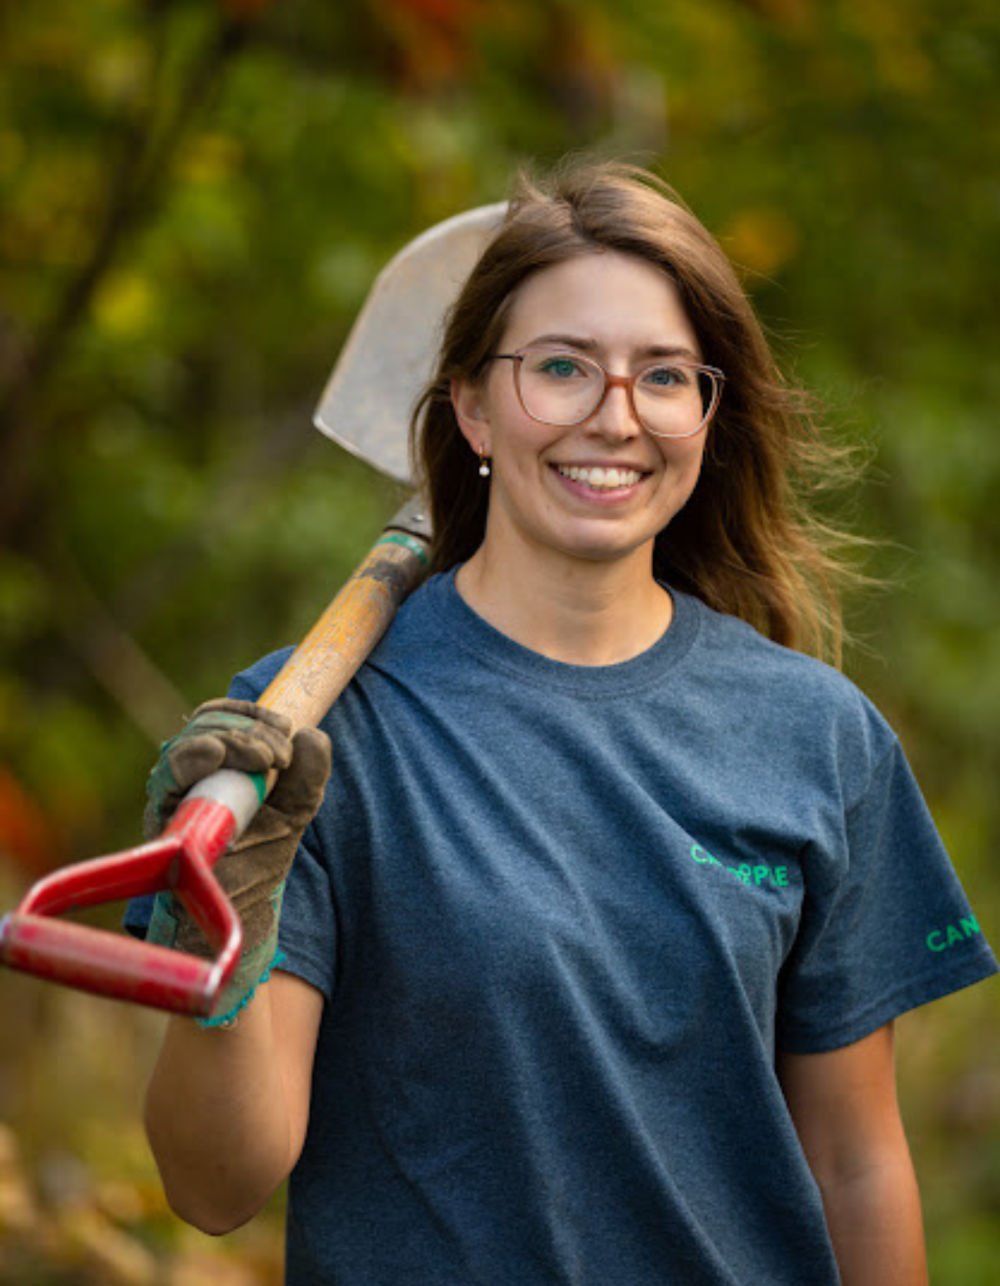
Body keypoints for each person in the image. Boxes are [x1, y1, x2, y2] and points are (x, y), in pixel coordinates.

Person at [129, 160, 998, 1286]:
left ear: (707, 413)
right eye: (560, 368)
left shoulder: (815, 734)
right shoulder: (305, 737)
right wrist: (220, 937)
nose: (615, 417)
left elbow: (855, 1159)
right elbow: (212, 1188)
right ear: (470, 405)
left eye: (665, 376)